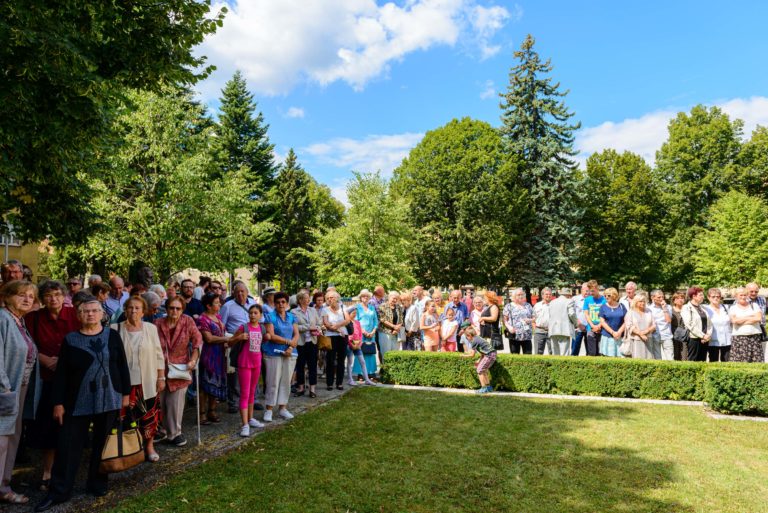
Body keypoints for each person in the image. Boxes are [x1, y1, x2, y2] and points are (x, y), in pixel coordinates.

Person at [35, 298, 130, 512]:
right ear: (79, 315)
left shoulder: (112, 336)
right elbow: (61, 376)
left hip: (110, 398)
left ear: (102, 314)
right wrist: (58, 403)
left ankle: (97, 484)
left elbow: (122, 365)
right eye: (86, 311)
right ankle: (59, 491)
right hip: (76, 402)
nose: (91, 314)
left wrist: (126, 394)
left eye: (95, 310)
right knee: (68, 445)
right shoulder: (71, 339)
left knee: (102, 444)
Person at [25, 280, 80, 492]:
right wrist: (43, 359)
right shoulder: (33, 318)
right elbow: (27, 343)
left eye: (57, 294)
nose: (53, 299)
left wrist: (64, 361)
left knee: (69, 427)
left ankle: (67, 471)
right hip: (44, 379)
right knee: (48, 427)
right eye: (48, 295)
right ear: (42, 298)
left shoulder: (75, 315)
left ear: (64, 296)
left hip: (70, 381)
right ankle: (47, 472)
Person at [112, 296, 165, 462]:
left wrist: (161, 377)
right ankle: (128, 450)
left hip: (147, 381)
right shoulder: (115, 329)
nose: (133, 311)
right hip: (123, 384)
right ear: (125, 310)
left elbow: (158, 355)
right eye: (130, 307)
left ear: (143, 311)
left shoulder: (150, 328)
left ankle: (149, 447)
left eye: (137, 308)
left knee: (149, 416)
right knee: (124, 418)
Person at [0, 281, 39, 505]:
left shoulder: (18, 321)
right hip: (6, 390)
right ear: (7, 296)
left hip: (17, 389)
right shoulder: (3, 319)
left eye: (31, 296)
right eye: (21, 295)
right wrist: (4, 388)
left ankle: (4, 485)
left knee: (11, 438)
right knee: (2, 440)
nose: (26, 299)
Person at [155, 296, 202, 447]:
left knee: (175, 403)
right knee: (160, 402)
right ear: (166, 308)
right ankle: (161, 430)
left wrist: (193, 360)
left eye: (178, 308)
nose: (174, 311)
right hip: (159, 368)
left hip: (181, 368)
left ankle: (175, 433)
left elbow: (198, 342)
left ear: (182, 309)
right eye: (171, 308)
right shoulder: (157, 323)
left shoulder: (188, 321)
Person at [220, 281, 256, 413]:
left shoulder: (253, 304)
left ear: (247, 292)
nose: (240, 294)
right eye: (237, 292)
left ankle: (253, 399)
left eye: (243, 291)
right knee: (234, 373)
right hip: (236, 342)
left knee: (252, 370)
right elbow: (221, 326)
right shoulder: (227, 306)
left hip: (252, 343)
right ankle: (233, 401)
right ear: (233, 294)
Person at [262, 292, 298, 422]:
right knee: (273, 381)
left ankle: (283, 408)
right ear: (274, 303)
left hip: (290, 353)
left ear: (287, 303)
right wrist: (288, 342)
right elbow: (271, 335)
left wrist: (290, 347)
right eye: (278, 302)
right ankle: (269, 409)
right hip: (273, 352)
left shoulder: (292, 317)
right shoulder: (269, 317)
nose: (281, 304)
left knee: (286, 381)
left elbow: (296, 334)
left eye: (283, 302)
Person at [231, 305, 265, 436]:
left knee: (252, 393)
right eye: (250, 313)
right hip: (244, 364)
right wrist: (238, 338)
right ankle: (244, 424)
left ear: (260, 315)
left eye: (255, 313)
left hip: (257, 364)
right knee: (244, 394)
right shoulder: (243, 328)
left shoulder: (261, 328)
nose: (252, 315)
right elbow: (230, 342)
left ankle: (250, 419)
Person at [196, 293, 229, 423]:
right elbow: (208, 338)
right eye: (216, 302)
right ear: (208, 306)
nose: (219, 304)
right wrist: (226, 339)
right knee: (205, 385)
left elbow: (221, 333)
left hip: (220, 354)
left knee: (217, 383)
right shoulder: (202, 319)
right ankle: (202, 413)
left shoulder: (218, 317)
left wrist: (225, 341)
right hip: (208, 354)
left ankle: (212, 410)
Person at [291, 292, 322, 398]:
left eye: (309, 298)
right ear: (300, 300)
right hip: (300, 342)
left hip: (312, 342)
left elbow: (319, 323)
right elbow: (294, 327)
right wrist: (308, 327)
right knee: (300, 365)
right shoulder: (294, 312)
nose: (308, 300)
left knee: (312, 365)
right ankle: (301, 388)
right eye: (306, 298)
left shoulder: (313, 310)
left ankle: (312, 389)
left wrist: (317, 328)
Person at [322, 290, 349, 390]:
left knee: (341, 360)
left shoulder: (343, 307)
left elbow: (347, 320)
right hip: (331, 336)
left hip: (343, 337)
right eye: (328, 298)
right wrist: (338, 330)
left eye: (331, 297)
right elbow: (326, 323)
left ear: (337, 298)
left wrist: (337, 325)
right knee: (330, 360)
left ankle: (339, 383)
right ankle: (329, 383)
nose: (329, 300)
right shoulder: (325, 309)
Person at [729, 287, 764, 363]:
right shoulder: (733, 308)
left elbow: (758, 318)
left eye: (745, 295)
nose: (743, 297)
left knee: (757, 360)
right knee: (740, 361)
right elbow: (734, 321)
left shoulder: (754, 305)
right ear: (736, 296)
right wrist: (750, 317)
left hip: (754, 336)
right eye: (741, 295)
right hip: (739, 337)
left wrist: (741, 321)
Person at [461, 326, 496, 394]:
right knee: (483, 370)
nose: (467, 339)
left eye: (466, 337)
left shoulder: (474, 341)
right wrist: (479, 360)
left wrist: (463, 356)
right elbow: (483, 352)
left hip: (489, 355)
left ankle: (483, 388)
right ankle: (488, 387)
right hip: (492, 354)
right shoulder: (478, 338)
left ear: (469, 335)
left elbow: (472, 355)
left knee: (479, 370)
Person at [680, 287, 712, 362]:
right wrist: (702, 335)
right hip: (694, 338)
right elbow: (689, 324)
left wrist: (707, 335)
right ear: (694, 296)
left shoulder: (703, 308)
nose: (703, 297)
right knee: (693, 361)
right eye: (700, 295)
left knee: (703, 361)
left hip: (705, 339)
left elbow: (709, 323)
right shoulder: (686, 308)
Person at [353, 289, 379, 379]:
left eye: (367, 296)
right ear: (360, 297)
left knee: (370, 353)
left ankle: (371, 372)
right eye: (364, 296)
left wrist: (373, 331)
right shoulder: (357, 307)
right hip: (360, 334)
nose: (365, 297)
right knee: (361, 353)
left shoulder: (372, 307)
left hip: (371, 334)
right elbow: (356, 321)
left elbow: (376, 320)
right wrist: (363, 331)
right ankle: (360, 373)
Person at [624, 294, 657, 359]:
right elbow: (629, 326)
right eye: (641, 301)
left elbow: (654, 325)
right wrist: (641, 334)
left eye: (644, 301)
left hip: (648, 339)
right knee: (637, 360)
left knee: (649, 359)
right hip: (635, 340)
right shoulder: (631, 312)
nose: (643, 303)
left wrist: (646, 331)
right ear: (636, 302)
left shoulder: (649, 311)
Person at [704, 288, 731, 362]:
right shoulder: (705, 309)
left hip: (727, 340)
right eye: (713, 296)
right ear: (708, 297)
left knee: (726, 362)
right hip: (712, 340)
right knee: (713, 361)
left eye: (718, 296)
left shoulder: (726, 308)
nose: (716, 298)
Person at [503, 288, 533, 355]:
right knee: (515, 355)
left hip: (526, 335)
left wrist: (530, 320)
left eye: (522, 294)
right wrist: (509, 327)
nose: (521, 296)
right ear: (514, 296)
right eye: (518, 295)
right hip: (514, 335)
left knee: (528, 355)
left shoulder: (528, 305)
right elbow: (504, 320)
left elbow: (534, 317)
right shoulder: (509, 306)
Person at [598, 288, 626, 357]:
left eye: (608, 295)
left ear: (614, 295)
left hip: (620, 337)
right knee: (608, 358)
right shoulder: (603, 307)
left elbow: (626, 321)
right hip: (607, 337)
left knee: (621, 358)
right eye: (605, 295)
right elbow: (602, 322)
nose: (606, 297)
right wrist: (613, 332)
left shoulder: (622, 306)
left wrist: (619, 332)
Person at [548, 287, 577, 356]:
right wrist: (575, 323)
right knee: (564, 353)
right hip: (564, 329)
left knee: (555, 352)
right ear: (568, 295)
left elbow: (550, 315)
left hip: (553, 329)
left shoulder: (552, 302)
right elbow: (571, 313)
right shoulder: (569, 301)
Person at [648, 290, 674, 361]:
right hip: (655, 335)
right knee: (657, 358)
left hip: (667, 335)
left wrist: (664, 308)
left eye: (663, 297)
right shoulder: (649, 308)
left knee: (670, 358)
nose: (661, 299)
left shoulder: (668, 307)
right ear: (652, 297)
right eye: (659, 297)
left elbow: (668, 320)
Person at [377, 291, 403, 359]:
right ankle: (385, 369)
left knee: (395, 353)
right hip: (385, 333)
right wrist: (394, 326)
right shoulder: (382, 306)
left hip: (396, 333)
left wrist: (396, 329)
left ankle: (393, 369)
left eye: (396, 299)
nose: (395, 300)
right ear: (389, 297)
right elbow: (382, 319)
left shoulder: (398, 307)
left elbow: (401, 319)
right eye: (393, 298)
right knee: (386, 353)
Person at [583, 280, 606, 356]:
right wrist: (592, 326)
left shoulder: (604, 300)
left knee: (601, 352)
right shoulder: (587, 300)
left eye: (593, 291)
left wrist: (599, 325)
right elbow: (586, 314)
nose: (591, 293)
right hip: (591, 328)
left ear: (597, 288)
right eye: (590, 291)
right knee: (592, 353)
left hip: (602, 328)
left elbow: (605, 314)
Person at [571, 283, 590, 356]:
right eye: (585, 290)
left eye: (588, 291)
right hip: (577, 328)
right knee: (574, 350)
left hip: (589, 328)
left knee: (590, 351)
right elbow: (572, 313)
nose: (587, 292)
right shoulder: (575, 299)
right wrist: (579, 324)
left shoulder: (591, 299)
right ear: (581, 290)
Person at [532, 288, 552, 355]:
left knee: (553, 352)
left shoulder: (554, 305)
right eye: (546, 294)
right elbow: (533, 318)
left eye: (550, 294)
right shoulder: (537, 305)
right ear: (542, 295)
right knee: (538, 353)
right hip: (539, 331)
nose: (548, 296)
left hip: (551, 332)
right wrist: (535, 329)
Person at [669, 292, 687, 361]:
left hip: (685, 335)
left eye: (682, 298)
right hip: (674, 335)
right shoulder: (670, 310)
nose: (680, 300)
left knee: (684, 354)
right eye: (677, 298)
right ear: (674, 300)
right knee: (675, 354)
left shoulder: (686, 310)